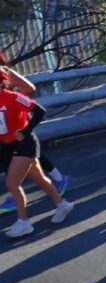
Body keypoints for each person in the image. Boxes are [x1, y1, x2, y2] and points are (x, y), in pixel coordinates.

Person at [0, 73, 74, 238]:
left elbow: (40, 111)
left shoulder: (13, 97)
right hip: (7, 146)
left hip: (25, 144)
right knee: (40, 179)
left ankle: (23, 222)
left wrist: (25, 131)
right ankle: (62, 204)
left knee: (12, 184)